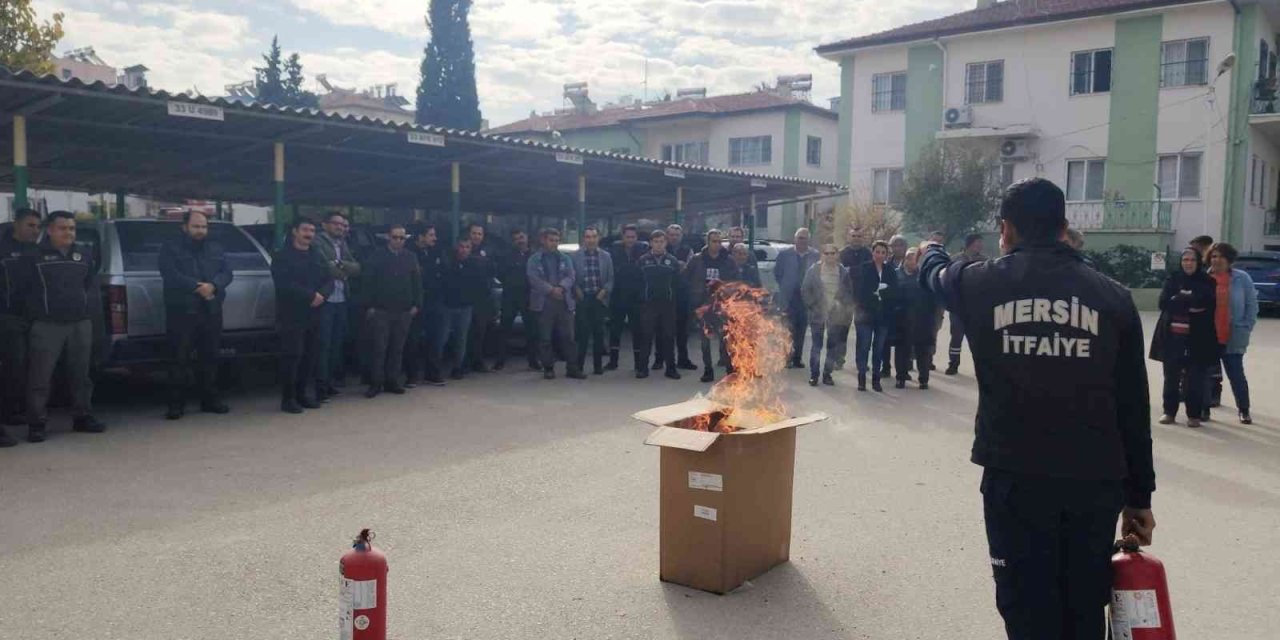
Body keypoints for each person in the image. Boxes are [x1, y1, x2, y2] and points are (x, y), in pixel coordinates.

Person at [919, 178, 1156, 640]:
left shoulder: (979, 282)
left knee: (1026, 608)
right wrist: (1139, 498)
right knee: (1084, 606)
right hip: (1094, 485)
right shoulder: (1113, 298)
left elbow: (932, 274)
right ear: (1064, 227)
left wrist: (931, 245)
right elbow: (1133, 407)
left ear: (1004, 229)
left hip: (1016, 483)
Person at [17, 211, 106, 442]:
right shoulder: (33, 256)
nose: (69, 233)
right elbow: (23, 289)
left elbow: (88, 283)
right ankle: (36, 423)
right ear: (50, 230)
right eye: (63, 228)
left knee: (81, 375)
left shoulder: (83, 254)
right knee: (40, 378)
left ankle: (82, 416)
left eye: (72, 229)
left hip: (79, 323)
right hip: (46, 325)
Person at [158, 211, 232, 420]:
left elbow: (227, 272)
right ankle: (176, 405)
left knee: (210, 358)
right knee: (178, 359)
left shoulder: (216, 248)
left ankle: (210, 400)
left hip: (211, 310)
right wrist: (196, 287)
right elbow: (169, 273)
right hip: (182, 311)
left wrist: (214, 286)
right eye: (196, 226)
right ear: (185, 227)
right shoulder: (170, 248)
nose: (200, 231)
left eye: (203, 227)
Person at [272, 218, 333, 414]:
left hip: (315, 313)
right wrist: (310, 295)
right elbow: (283, 284)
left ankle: (302, 395)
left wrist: (323, 294)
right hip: (292, 314)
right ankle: (288, 399)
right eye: (305, 230)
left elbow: (329, 278)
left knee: (310, 356)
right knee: (292, 356)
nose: (309, 234)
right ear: (294, 232)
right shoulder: (282, 256)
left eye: (312, 230)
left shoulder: (316, 254)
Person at [1149, 248, 1216, 428]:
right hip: (1172, 337)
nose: (1188, 263)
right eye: (1185, 260)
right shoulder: (1173, 279)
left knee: (1195, 380)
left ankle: (1194, 415)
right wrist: (1189, 301)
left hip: (1197, 339)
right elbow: (1163, 303)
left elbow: (1207, 303)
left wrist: (1179, 299)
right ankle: (1169, 412)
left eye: (1192, 260)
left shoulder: (1207, 281)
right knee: (1171, 377)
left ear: (1198, 262)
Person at [360, 225, 421, 398]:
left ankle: (392, 381)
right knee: (379, 349)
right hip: (381, 311)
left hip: (404, 311)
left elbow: (417, 282)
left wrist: (417, 304)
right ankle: (375, 383)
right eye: (395, 237)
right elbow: (368, 281)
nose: (398, 241)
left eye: (402, 238)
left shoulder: (411, 257)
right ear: (388, 237)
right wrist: (369, 306)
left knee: (397, 348)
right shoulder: (376, 256)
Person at [0, 208, 41, 446]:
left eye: (37, 226)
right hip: (8, 317)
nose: (35, 230)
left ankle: (11, 412)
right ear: (16, 225)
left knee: (23, 369)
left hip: (34, 318)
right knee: (12, 367)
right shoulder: (3, 250)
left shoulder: (37, 251)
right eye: (30, 225)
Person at [1207, 242, 1258, 424]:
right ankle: (1204, 409)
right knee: (1206, 375)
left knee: (1236, 375)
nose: (1217, 259)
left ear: (1229, 259)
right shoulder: (1204, 278)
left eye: (1221, 256)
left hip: (1233, 335)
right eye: (1213, 256)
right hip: (1209, 336)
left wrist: (1246, 325)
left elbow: (1252, 304)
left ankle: (1244, 410)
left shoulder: (1241, 278)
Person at [527, 228, 586, 380]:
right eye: (551, 240)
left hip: (564, 302)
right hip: (543, 303)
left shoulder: (565, 258)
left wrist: (561, 287)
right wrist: (550, 290)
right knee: (545, 338)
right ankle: (548, 368)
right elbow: (533, 278)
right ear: (543, 240)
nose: (554, 243)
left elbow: (571, 276)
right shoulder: (534, 259)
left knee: (569, 337)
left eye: (557, 240)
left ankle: (572, 368)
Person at [313, 212, 360, 400]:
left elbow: (357, 267)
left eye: (342, 225)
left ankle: (330, 382)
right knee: (323, 345)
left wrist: (340, 265)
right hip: (325, 300)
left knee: (336, 345)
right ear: (325, 225)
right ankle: (320, 386)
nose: (340, 227)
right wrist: (343, 270)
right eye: (336, 224)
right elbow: (325, 267)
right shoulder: (317, 242)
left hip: (341, 299)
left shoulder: (342, 243)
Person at [686, 229, 738, 383]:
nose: (717, 244)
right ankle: (708, 370)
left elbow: (735, 280)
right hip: (703, 305)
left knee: (725, 340)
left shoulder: (728, 261)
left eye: (719, 241)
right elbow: (686, 277)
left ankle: (729, 370)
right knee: (705, 341)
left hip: (722, 306)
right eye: (713, 241)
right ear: (707, 242)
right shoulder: (697, 259)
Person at [801, 243, 852, 386]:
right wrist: (812, 305)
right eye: (827, 253)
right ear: (822, 255)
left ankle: (827, 374)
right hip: (818, 313)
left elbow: (848, 293)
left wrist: (842, 307)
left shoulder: (843, 272)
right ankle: (814, 375)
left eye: (833, 253)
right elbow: (805, 289)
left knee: (832, 346)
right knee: (816, 345)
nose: (830, 256)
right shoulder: (814, 270)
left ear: (837, 255)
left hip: (834, 314)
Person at [636, 230, 683, 380]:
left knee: (668, 337)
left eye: (661, 241)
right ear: (650, 243)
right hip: (648, 304)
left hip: (668, 305)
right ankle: (642, 369)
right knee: (646, 337)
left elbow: (678, 284)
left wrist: (674, 299)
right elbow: (636, 283)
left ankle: (671, 369)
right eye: (655, 242)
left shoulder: (673, 261)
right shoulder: (642, 261)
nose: (658, 244)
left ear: (666, 243)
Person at [853, 240, 897, 392]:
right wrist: (878, 291)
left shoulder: (890, 270)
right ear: (873, 253)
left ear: (886, 255)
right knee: (863, 347)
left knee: (878, 349)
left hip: (883, 316)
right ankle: (861, 378)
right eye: (877, 252)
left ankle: (876, 380)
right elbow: (862, 291)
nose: (880, 255)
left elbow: (893, 291)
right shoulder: (864, 268)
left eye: (883, 253)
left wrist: (880, 292)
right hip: (865, 315)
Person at [406, 225, 447, 387]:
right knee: (413, 340)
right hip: (415, 302)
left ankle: (433, 373)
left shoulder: (435, 251)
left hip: (435, 301)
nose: (434, 238)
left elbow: (441, 272)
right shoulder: (409, 253)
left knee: (435, 339)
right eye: (431, 235)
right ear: (420, 236)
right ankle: (412, 375)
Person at [438, 239, 484, 380]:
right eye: (461, 247)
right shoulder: (447, 263)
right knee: (441, 339)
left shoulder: (474, 265)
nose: (464, 250)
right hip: (447, 306)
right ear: (456, 248)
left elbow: (478, 287)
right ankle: (435, 369)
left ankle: (458, 368)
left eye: (467, 247)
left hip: (465, 307)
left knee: (461, 339)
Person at [774, 228, 821, 369]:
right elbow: (778, 273)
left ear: (809, 240)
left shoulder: (815, 255)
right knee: (787, 329)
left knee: (801, 330)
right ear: (795, 239)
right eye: (800, 238)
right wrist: (786, 286)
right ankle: (786, 358)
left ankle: (797, 358)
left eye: (805, 238)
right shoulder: (784, 255)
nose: (802, 241)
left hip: (806, 299)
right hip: (789, 298)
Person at [893, 248, 937, 390]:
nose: (912, 262)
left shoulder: (925, 276)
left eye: (915, 259)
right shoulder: (896, 275)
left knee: (923, 351)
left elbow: (933, 299)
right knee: (902, 350)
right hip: (902, 319)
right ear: (904, 260)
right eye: (909, 258)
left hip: (922, 319)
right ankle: (901, 377)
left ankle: (923, 379)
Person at [571, 227, 614, 375]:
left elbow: (611, 279)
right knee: (582, 334)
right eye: (588, 237)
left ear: (598, 238)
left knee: (599, 334)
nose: (591, 240)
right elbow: (571, 277)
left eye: (594, 237)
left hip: (599, 298)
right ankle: (579, 366)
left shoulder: (606, 256)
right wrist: (576, 290)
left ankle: (597, 366)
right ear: (584, 239)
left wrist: (604, 291)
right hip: (583, 297)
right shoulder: (575, 256)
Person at [496, 229, 539, 372]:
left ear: (527, 238)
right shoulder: (506, 255)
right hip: (510, 295)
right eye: (516, 239)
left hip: (528, 296)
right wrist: (510, 282)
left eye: (521, 237)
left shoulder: (534, 255)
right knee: (504, 329)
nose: (519, 241)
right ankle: (500, 361)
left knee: (532, 330)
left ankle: (533, 361)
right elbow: (501, 273)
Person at [607, 224, 649, 372]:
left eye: (633, 237)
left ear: (636, 238)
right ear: (622, 237)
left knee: (637, 330)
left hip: (636, 297)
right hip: (618, 296)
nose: (630, 240)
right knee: (615, 329)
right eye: (627, 237)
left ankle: (638, 363)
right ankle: (613, 361)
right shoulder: (614, 251)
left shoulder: (644, 251)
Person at [657, 223, 698, 371]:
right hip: (664, 294)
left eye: (677, 235)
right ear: (666, 235)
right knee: (662, 329)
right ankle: (659, 359)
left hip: (682, 294)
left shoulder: (688, 250)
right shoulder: (660, 248)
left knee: (682, 330)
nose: (674, 237)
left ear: (681, 236)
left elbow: (689, 269)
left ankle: (683, 359)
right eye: (671, 234)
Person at [945, 233, 986, 376]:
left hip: (975, 307)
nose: (981, 245)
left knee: (977, 338)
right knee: (956, 336)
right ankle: (953, 364)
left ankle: (980, 367)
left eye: (981, 242)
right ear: (970, 243)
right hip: (957, 306)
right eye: (978, 242)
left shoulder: (983, 261)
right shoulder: (955, 259)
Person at [465, 223, 498, 373]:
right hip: (465, 298)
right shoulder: (463, 249)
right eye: (474, 233)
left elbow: (493, 272)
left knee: (480, 332)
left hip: (483, 299)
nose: (476, 236)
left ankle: (477, 362)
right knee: (464, 332)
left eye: (479, 234)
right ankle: (462, 363)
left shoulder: (488, 251)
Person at [882, 234, 910, 379]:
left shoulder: (911, 263)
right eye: (894, 245)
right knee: (885, 340)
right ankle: (885, 368)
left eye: (900, 244)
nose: (897, 248)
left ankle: (903, 371)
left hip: (906, 309)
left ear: (905, 247)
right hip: (888, 308)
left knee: (904, 342)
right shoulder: (886, 265)